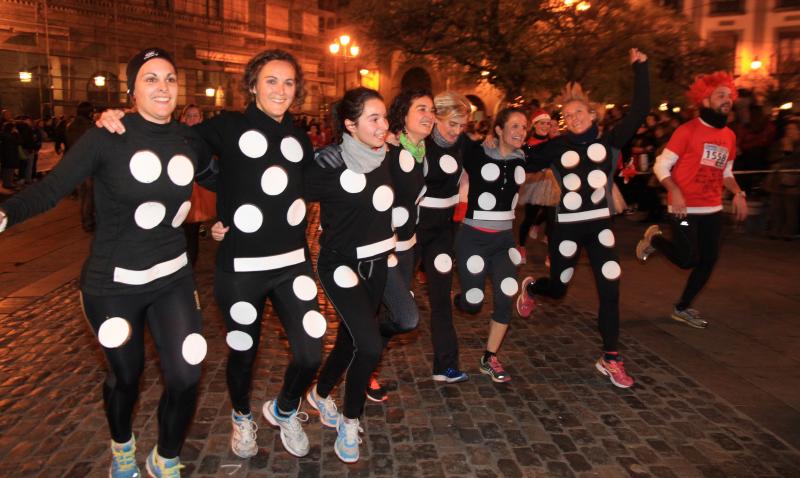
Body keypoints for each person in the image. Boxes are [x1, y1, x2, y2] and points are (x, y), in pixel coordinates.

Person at [0, 47, 216, 478]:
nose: (162, 87)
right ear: (132, 88)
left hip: (172, 276)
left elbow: (225, 178)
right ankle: (122, 445)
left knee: (187, 371)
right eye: (150, 78)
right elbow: (52, 187)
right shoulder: (106, 136)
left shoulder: (190, 140)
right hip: (112, 285)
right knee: (126, 376)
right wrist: (6, 212)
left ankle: (166, 459)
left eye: (170, 78)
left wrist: (229, 217)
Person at [102, 49, 324, 461]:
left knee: (311, 350)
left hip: (293, 263)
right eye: (271, 80)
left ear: (298, 90)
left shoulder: (300, 138)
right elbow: (177, 142)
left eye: (289, 82)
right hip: (241, 269)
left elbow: (294, 187)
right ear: (253, 85)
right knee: (244, 352)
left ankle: (284, 408)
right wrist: (120, 118)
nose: (280, 89)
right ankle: (241, 415)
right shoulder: (228, 126)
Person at [516, 48, 650, 389]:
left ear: (593, 114)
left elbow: (639, 111)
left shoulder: (611, 141)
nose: (573, 117)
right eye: (567, 114)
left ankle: (611, 356)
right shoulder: (556, 146)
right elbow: (522, 158)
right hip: (567, 228)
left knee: (611, 288)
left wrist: (641, 69)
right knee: (558, 288)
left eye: (579, 112)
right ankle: (533, 286)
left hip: (601, 226)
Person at [304, 87, 394, 463]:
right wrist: (231, 222)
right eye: (374, 119)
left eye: (385, 117)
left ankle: (320, 393)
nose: (383, 125)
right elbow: (282, 189)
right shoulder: (330, 163)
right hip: (340, 264)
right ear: (350, 125)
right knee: (370, 346)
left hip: (377, 262)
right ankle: (349, 418)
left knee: (351, 338)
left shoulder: (391, 156)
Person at [636, 71, 748, 328]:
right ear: (705, 100)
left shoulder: (729, 136)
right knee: (688, 259)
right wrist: (673, 190)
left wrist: (738, 192)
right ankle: (654, 239)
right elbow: (661, 166)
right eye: (720, 95)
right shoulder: (687, 131)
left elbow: (726, 172)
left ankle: (682, 307)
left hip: (713, 210)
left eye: (729, 95)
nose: (727, 99)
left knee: (708, 260)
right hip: (683, 212)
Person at [453, 107, 529, 383]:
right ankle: (461, 300)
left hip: (504, 241)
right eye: (515, 126)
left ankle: (490, 357)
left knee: (505, 296)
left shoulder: (524, 158)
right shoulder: (477, 153)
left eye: (524, 127)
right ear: (499, 129)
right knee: (473, 304)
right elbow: (455, 135)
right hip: (472, 238)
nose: (520, 132)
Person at [418, 91, 472, 384]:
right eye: (451, 123)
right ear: (436, 117)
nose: (456, 131)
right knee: (396, 296)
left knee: (441, 295)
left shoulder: (463, 143)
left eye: (461, 125)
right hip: (413, 231)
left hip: (442, 232)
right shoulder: (419, 143)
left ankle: (445, 365)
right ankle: (369, 369)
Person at [517, 109, 560, 265]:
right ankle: (521, 246)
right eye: (542, 123)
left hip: (550, 184)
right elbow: (525, 165)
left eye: (548, 123)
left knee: (551, 220)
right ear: (534, 125)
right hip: (533, 184)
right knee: (529, 218)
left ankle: (550, 254)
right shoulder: (526, 145)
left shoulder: (553, 143)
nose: (545, 126)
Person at [178, 104, 215, 267]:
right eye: (189, 115)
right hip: (178, 189)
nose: (192, 118)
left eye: (196, 115)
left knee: (191, 231)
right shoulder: (176, 134)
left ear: (201, 118)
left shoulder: (207, 136)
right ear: (183, 117)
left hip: (198, 191)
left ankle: (188, 265)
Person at [66, 101, 96, 232]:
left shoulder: (70, 125)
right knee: (90, 193)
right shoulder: (89, 127)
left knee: (84, 194)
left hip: (75, 163)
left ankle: (86, 220)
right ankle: (88, 221)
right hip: (88, 163)